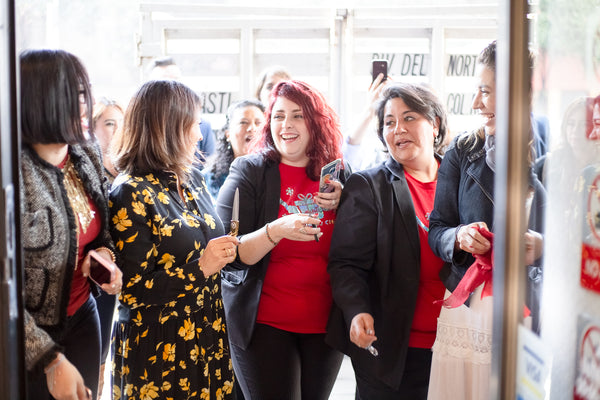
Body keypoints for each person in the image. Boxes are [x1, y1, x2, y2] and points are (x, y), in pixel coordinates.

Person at [426, 41, 545, 399]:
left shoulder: (553, 152)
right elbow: (437, 229)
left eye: (486, 92)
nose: (476, 103)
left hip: (528, 310)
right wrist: (459, 236)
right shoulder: (461, 151)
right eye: (477, 91)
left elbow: (580, 237)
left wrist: (544, 246)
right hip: (467, 306)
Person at [217, 80, 348, 399]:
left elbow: (356, 251)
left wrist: (352, 205)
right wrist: (275, 230)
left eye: (297, 115)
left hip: (323, 329)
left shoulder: (339, 176)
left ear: (317, 122)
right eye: (278, 116)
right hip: (263, 324)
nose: (286, 125)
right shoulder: (248, 171)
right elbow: (228, 253)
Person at [109, 80, 239, 399]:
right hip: (160, 349)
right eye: (194, 124)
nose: (199, 134)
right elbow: (132, 290)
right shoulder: (130, 192)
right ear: (168, 128)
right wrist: (201, 267)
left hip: (207, 335)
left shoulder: (190, 177)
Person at [326, 83, 448, 399]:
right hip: (391, 352)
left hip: (456, 346)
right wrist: (356, 310)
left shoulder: (460, 181)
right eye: (389, 122)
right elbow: (346, 263)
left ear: (434, 124)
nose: (398, 129)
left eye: (409, 118)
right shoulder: (369, 186)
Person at [20, 49, 123, 400]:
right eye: (75, 95)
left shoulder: (85, 154)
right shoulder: (13, 175)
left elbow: (102, 231)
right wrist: (49, 360)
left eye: (85, 92)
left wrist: (104, 257)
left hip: (83, 316)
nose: (86, 106)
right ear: (40, 101)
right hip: (27, 337)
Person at [148, 55, 216, 161]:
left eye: (176, 80)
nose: (173, 87)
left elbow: (210, 167)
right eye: (164, 81)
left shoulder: (202, 126)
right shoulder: (142, 126)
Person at [203, 99, 266, 198]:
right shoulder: (206, 179)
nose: (252, 128)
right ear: (228, 134)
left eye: (258, 123)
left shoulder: (276, 174)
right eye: (243, 122)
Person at [92, 97, 124, 182]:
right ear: (93, 128)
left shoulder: (133, 164)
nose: (117, 128)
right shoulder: (89, 169)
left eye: (121, 123)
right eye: (110, 124)